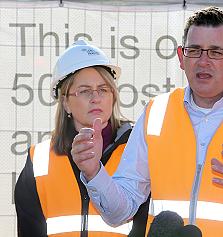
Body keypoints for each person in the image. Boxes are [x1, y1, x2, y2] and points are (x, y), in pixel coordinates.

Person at [72, 7, 223, 237]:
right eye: (194, 51)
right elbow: (119, 213)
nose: (203, 62)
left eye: (216, 52)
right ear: (181, 57)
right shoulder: (157, 112)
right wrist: (94, 172)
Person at [14, 39, 149, 237]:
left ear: (113, 96)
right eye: (85, 91)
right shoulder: (39, 160)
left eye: (103, 89)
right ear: (66, 103)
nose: (96, 98)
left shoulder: (138, 147)